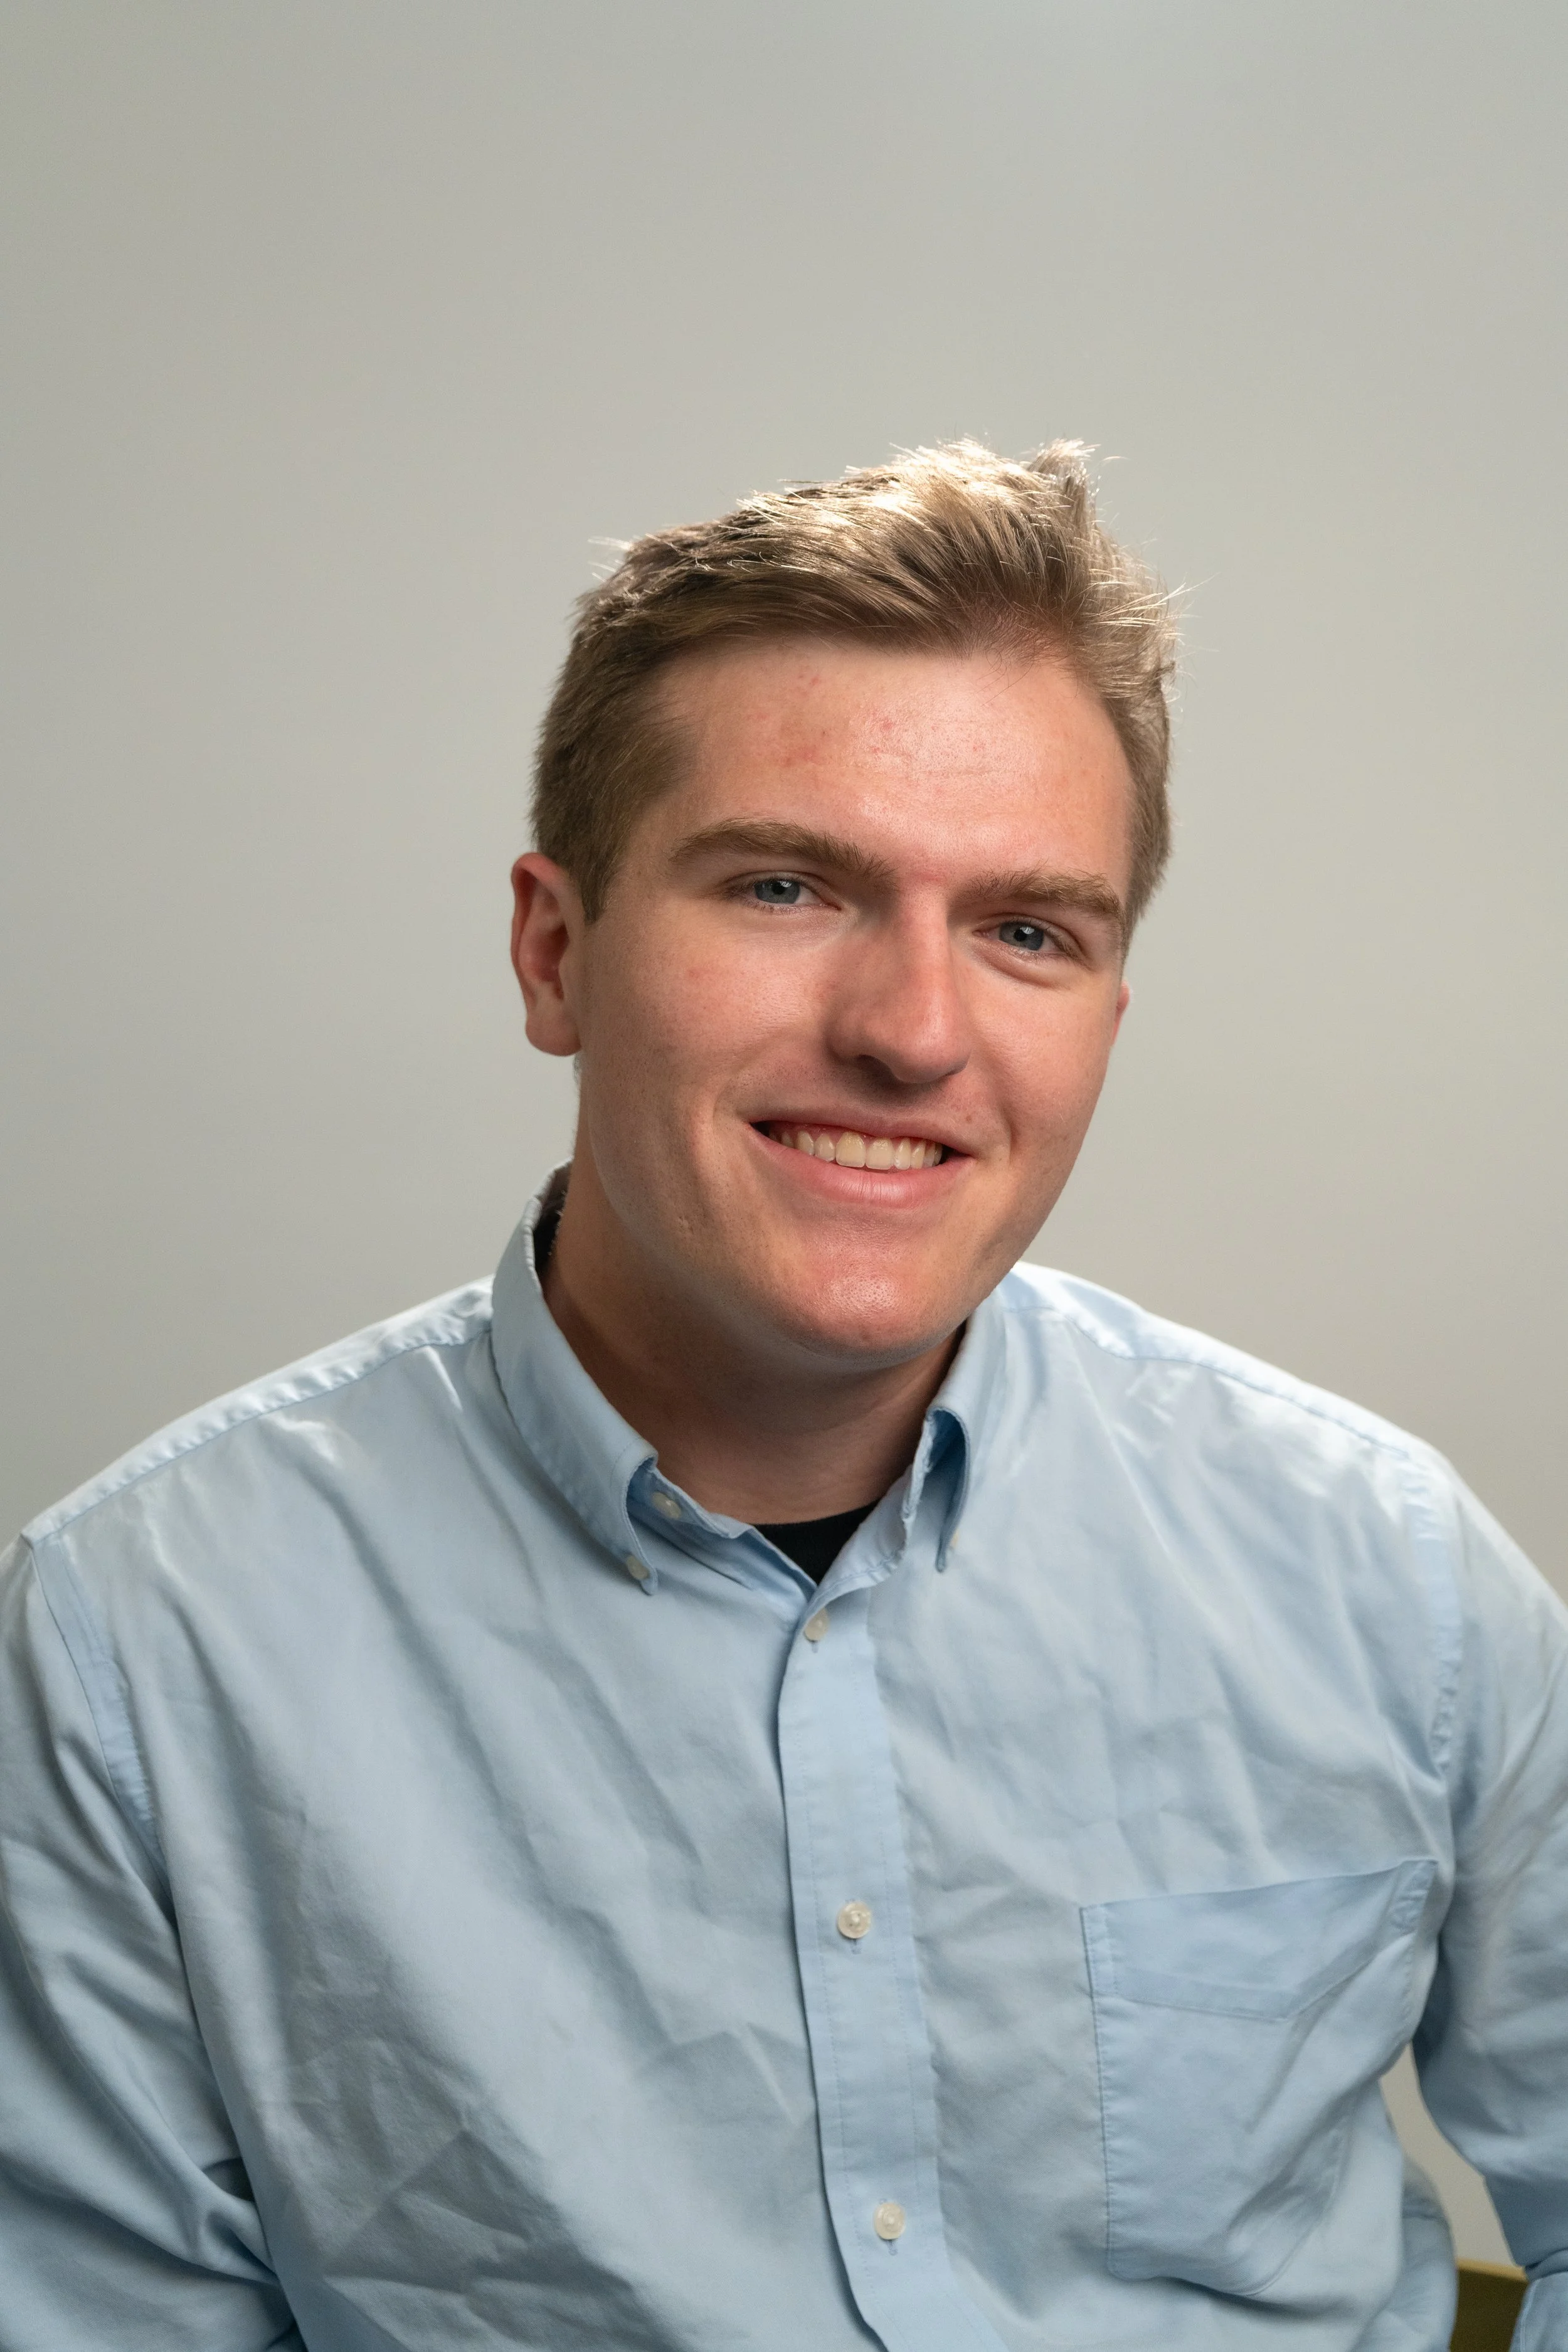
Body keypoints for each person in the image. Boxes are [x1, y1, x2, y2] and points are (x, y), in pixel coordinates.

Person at [1, 442, 1563, 2352]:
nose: (909, 1030)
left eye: (1026, 931)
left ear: (1105, 1011)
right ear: (554, 948)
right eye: (783, 884)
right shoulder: (137, 1646)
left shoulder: (1388, 1580)